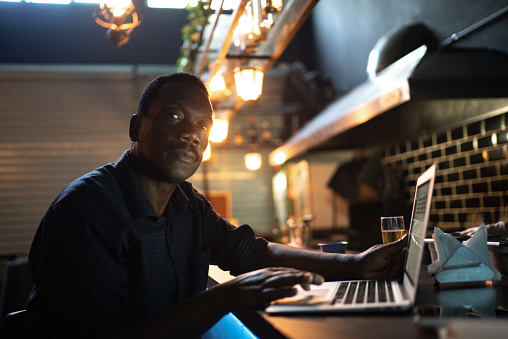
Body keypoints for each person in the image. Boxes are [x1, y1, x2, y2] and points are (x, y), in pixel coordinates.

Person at [26, 72, 407, 339]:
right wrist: (224, 296)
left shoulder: (187, 203)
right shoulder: (87, 211)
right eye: (174, 116)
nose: (192, 133)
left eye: (203, 125)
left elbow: (248, 251)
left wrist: (354, 264)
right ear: (137, 128)